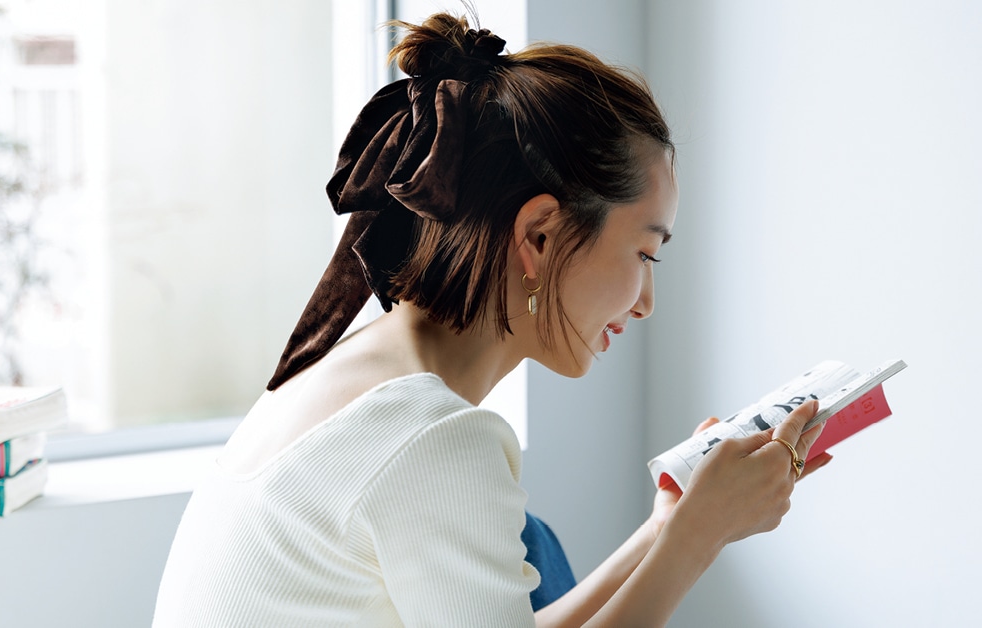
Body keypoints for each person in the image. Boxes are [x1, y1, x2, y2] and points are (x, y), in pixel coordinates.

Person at [152, 12, 830, 627]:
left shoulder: (354, 370)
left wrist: (666, 529)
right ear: (539, 235)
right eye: (644, 254)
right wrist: (700, 536)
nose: (646, 300)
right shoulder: (434, 439)